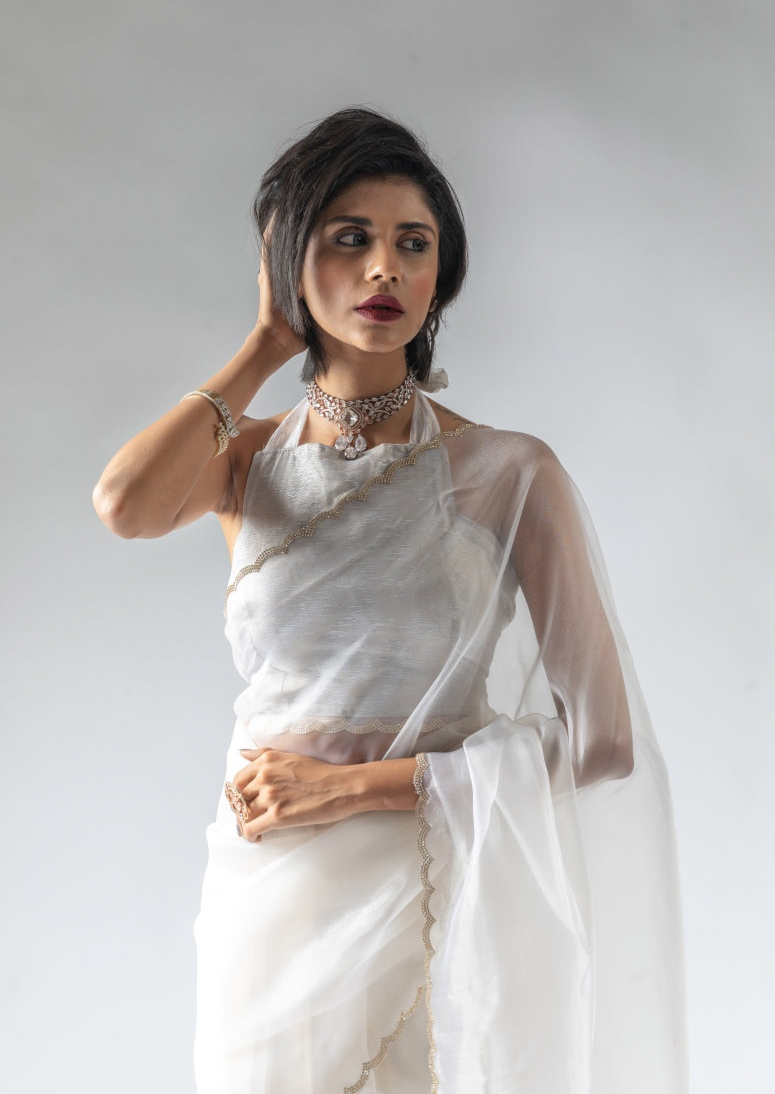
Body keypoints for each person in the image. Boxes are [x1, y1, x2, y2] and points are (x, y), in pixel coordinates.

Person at [93, 108, 687, 1094]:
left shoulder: (504, 472)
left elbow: (603, 742)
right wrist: (263, 345)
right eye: (348, 238)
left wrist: (351, 789)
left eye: (413, 243)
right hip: (269, 892)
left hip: (433, 883)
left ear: (441, 272)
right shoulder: (244, 464)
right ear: (289, 263)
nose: (384, 268)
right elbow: (124, 506)